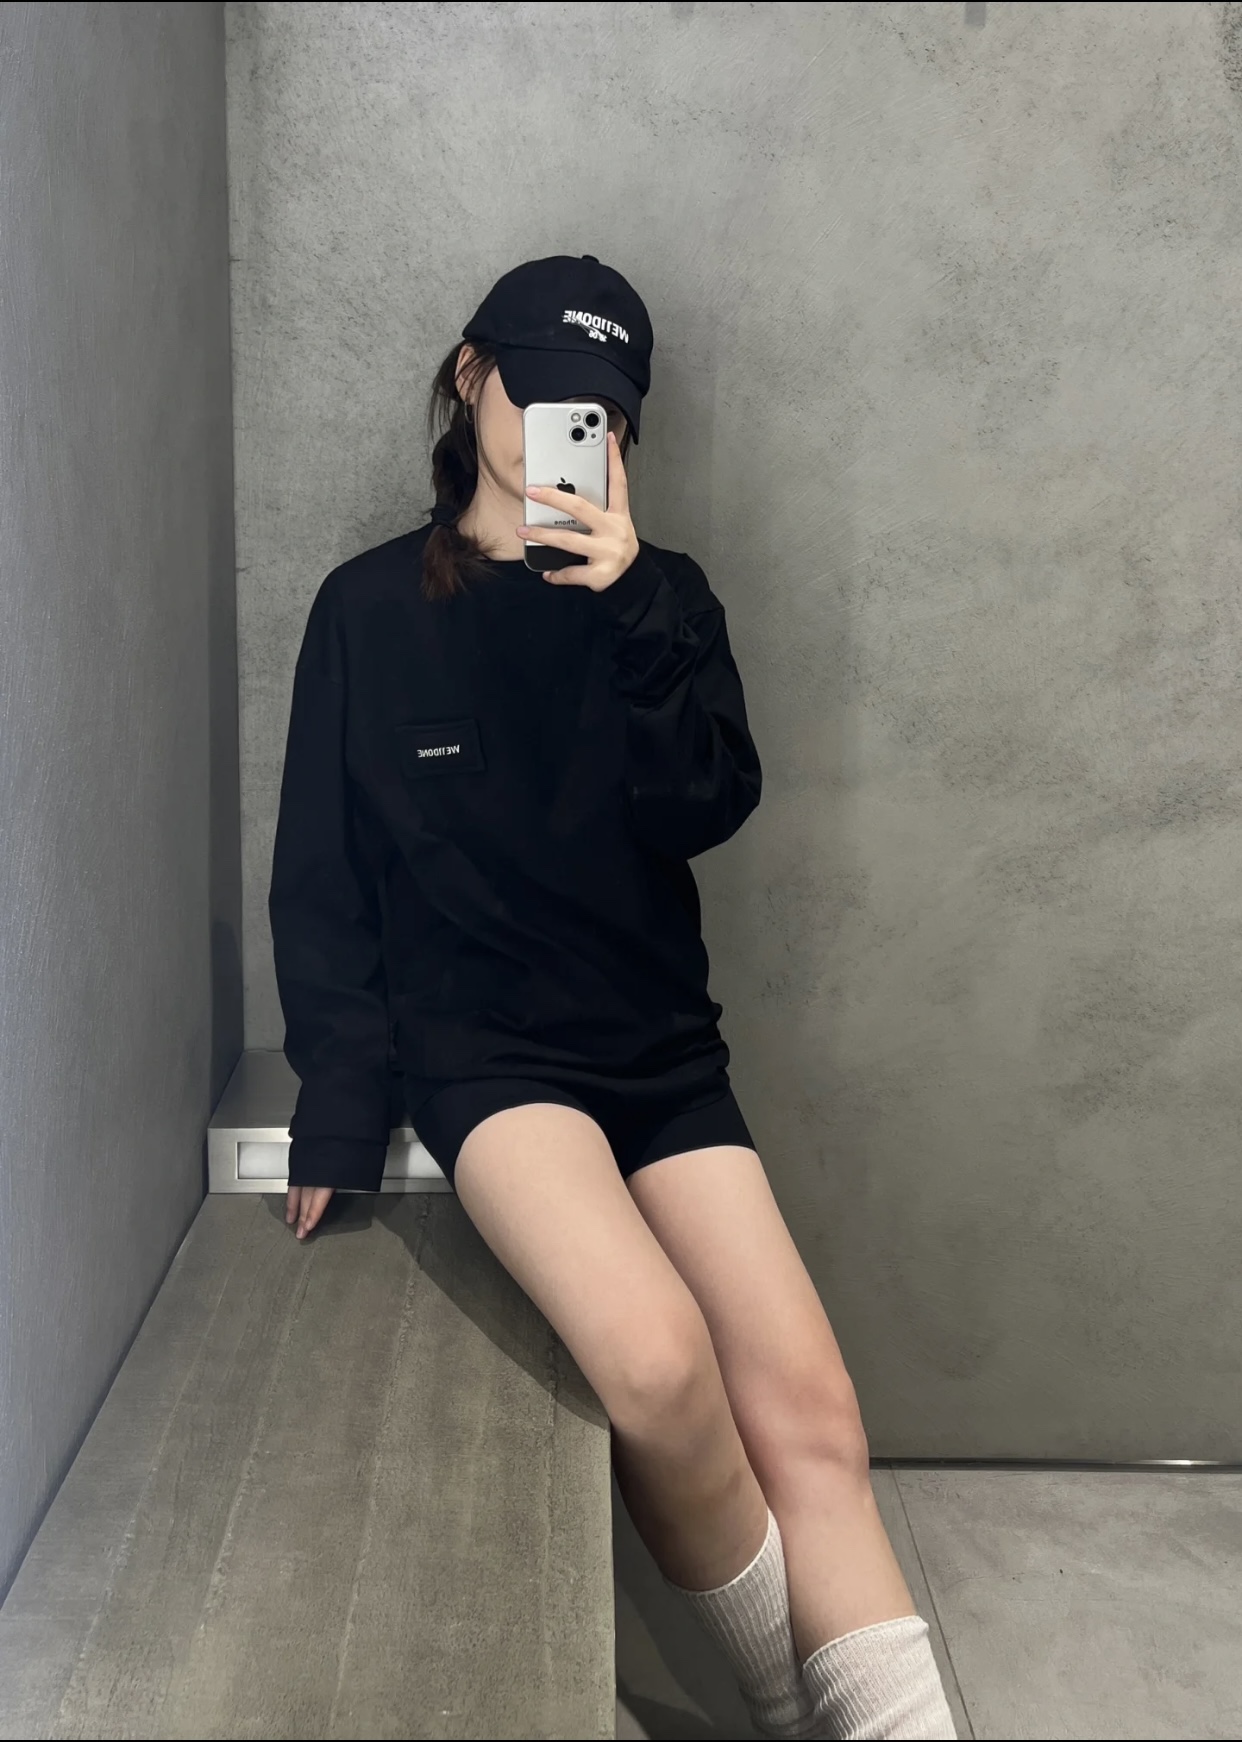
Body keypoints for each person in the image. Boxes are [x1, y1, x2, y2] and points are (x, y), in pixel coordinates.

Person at [268, 254, 955, 1741]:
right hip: (489, 1057)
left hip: (657, 1050)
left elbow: (703, 805)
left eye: (601, 414)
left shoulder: (666, 597)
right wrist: (341, 1098)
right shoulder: (367, 608)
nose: (565, 432)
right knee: (657, 1362)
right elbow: (323, 873)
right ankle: (795, 1714)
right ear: (470, 377)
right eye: (538, 393)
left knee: (817, 1420)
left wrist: (635, 604)